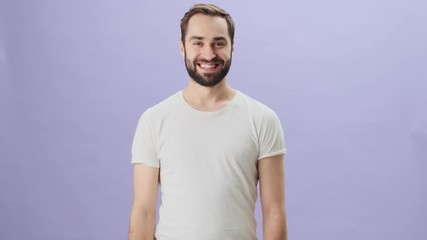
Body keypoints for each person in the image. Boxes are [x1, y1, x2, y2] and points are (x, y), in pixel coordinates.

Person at [128, 3, 287, 240]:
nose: (209, 53)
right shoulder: (154, 120)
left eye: (219, 43)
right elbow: (143, 212)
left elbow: (274, 211)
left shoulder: (262, 119)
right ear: (182, 48)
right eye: (198, 42)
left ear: (233, 47)